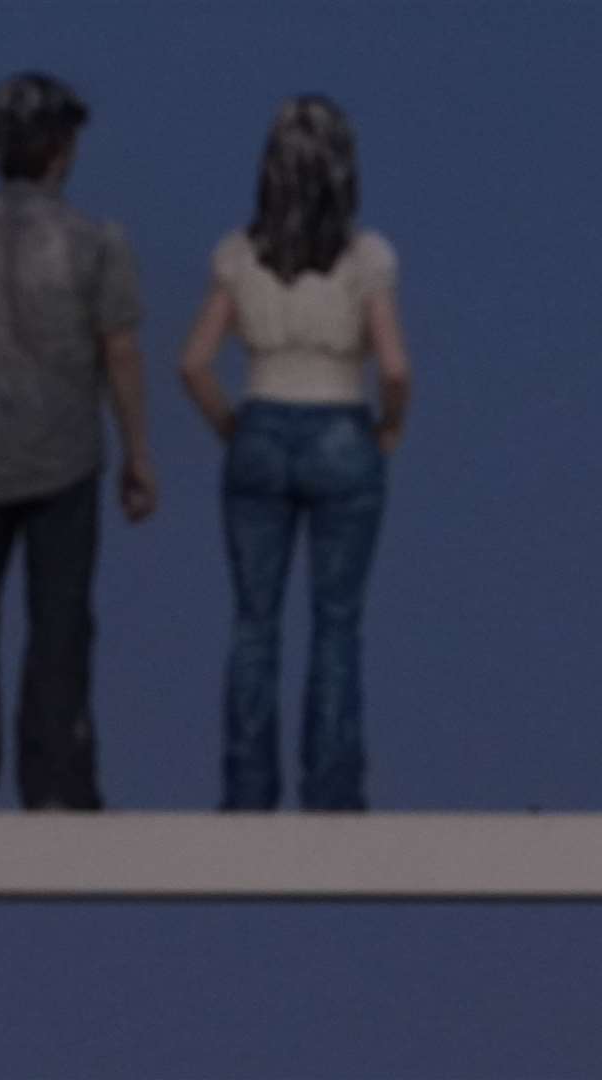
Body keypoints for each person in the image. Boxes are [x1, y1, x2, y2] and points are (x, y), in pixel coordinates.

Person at [0, 72, 156, 811]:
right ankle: (56, 783)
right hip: (63, 455)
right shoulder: (95, 244)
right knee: (59, 625)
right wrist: (138, 450)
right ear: (58, 148)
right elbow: (119, 352)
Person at [178, 95, 412, 811]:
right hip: (342, 427)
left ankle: (246, 790)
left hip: (259, 428)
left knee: (254, 622)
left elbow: (192, 363)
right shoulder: (364, 258)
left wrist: (231, 428)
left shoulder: (237, 256)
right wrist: (390, 428)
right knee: (335, 622)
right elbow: (395, 367)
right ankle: (332, 791)